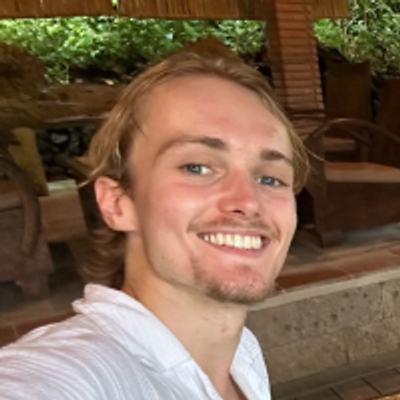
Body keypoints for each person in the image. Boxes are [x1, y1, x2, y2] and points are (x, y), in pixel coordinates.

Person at [0, 44, 309, 400]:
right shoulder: (69, 375)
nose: (248, 202)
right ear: (117, 203)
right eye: (197, 167)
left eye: (270, 178)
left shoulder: (242, 355)